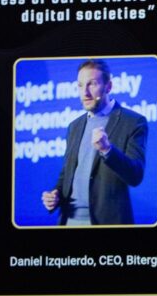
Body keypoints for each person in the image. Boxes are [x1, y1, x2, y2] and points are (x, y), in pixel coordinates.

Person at [41, 58, 147, 226]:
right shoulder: (74, 126)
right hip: (69, 220)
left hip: (107, 222)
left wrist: (107, 150)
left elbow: (135, 175)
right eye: (80, 85)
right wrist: (55, 195)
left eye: (92, 84)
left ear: (108, 86)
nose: (85, 93)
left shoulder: (133, 122)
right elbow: (67, 173)